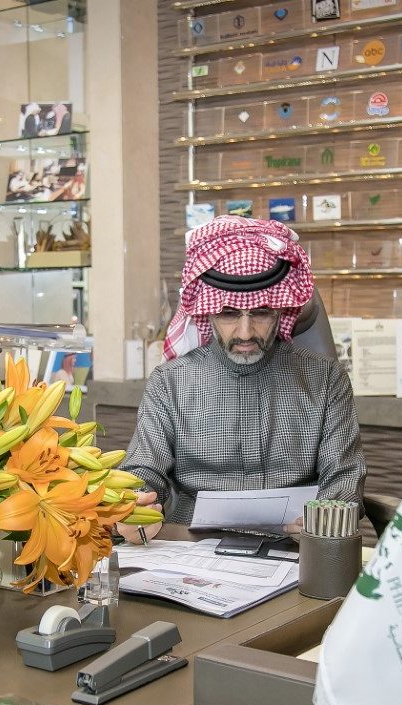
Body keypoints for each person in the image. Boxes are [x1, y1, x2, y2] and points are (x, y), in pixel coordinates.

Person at [117, 216, 365, 542]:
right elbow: (143, 469)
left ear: (280, 309)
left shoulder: (325, 379)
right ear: (207, 312)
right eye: (229, 314)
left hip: (293, 549)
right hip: (191, 549)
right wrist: (137, 503)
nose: (245, 333)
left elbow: (345, 477)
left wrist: (324, 516)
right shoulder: (170, 382)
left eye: (261, 313)